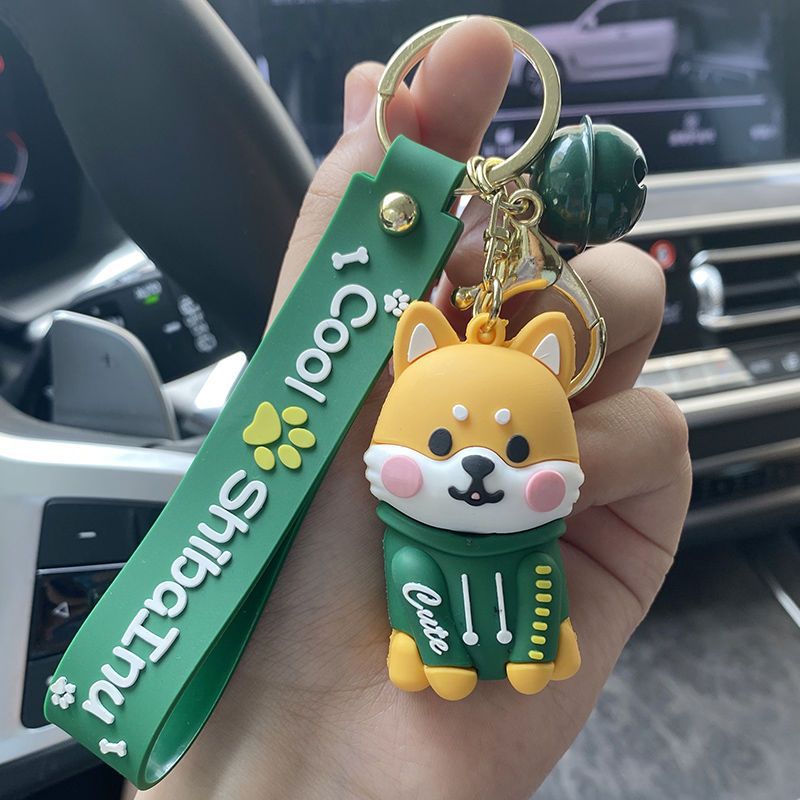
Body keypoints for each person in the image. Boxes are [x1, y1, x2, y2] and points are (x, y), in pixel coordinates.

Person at [139, 17, 691, 800]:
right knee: (417, 574)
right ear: (412, 355)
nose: (479, 464)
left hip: (524, 544)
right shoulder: (411, 360)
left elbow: (541, 583)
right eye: (442, 443)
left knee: (533, 584)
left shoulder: (531, 420)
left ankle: (527, 647)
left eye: (514, 454)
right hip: (405, 549)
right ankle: (434, 651)